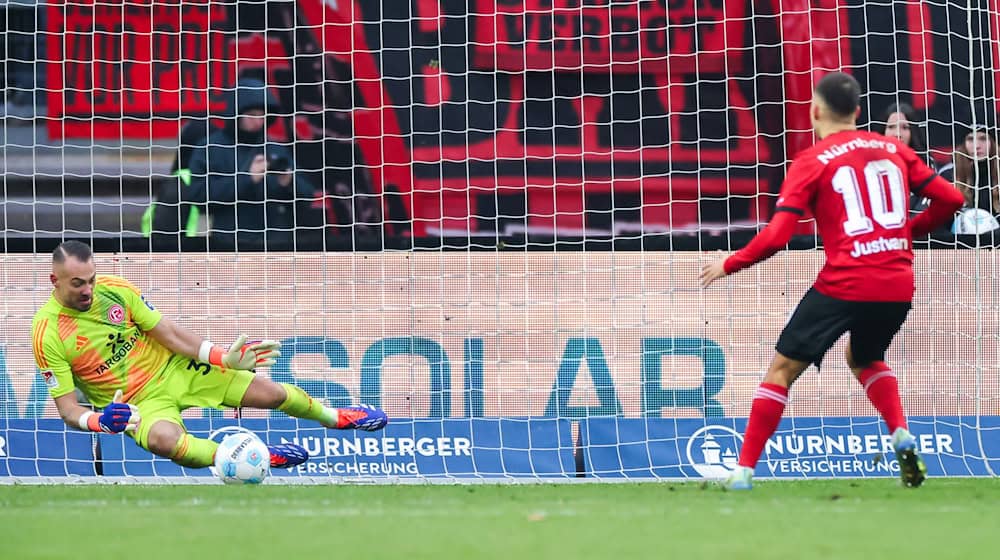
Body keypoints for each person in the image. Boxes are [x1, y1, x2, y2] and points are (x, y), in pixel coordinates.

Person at [699, 72, 964, 490]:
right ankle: (900, 432)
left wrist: (731, 263)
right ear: (858, 112)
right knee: (863, 357)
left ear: (815, 111)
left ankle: (744, 471)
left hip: (846, 281)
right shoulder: (893, 148)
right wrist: (908, 230)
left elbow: (778, 235)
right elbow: (953, 199)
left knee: (782, 370)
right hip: (897, 282)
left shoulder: (811, 160)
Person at [31, 240, 387, 471]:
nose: (88, 289)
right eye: (78, 283)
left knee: (272, 393)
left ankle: (336, 417)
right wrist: (99, 421)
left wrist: (222, 358)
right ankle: (254, 458)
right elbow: (67, 410)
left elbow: (168, 334)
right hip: (140, 404)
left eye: (91, 279)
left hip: (177, 369)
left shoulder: (117, 291)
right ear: (54, 280)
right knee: (164, 442)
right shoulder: (48, 333)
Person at [186, 78, 325, 251]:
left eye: (262, 115)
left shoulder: (275, 148)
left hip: (277, 245)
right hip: (230, 245)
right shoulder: (210, 148)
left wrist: (289, 183)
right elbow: (199, 196)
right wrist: (247, 179)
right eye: (251, 114)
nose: (258, 120)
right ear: (236, 113)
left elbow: (307, 196)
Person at [950, 125, 1000, 235]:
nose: (977, 146)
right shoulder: (949, 175)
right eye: (970, 139)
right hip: (959, 247)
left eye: (983, 138)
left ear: (993, 142)